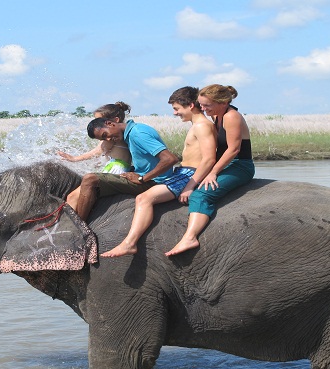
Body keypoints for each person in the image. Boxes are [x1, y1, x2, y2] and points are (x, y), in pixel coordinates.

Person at [101, 87, 217, 257]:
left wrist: (190, 185)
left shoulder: (202, 126)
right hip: (183, 171)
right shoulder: (197, 125)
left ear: (191, 105)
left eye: (177, 108)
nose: (175, 113)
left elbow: (208, 159)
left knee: (144, 198)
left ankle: (129, 243)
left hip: (189, 174)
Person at [165, 84, 255, 256]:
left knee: (201, 193)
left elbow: (234, 149)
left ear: (222, 102)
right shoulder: (218, 116)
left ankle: (190, 237)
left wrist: (212, 172)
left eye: (207, 105)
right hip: (226, 164)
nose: (203, 109)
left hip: (239, 165)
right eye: (201, 104)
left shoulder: (231, 116)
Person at [66, 117, 179, 221]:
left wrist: (142, 178)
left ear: (109, 123)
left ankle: (80, 226)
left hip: (153, 182)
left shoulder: (137, 134)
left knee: (89, 179)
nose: (109, 139)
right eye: (104, 138)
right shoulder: (131, 133)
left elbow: (170, 159)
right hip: (146, 176)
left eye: (105, 134)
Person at [57, 102, 132, 174]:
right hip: (124, 166)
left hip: (115, 167)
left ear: (114, 121)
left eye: (99, 120)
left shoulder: (110, 137)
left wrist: (74, 158)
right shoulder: (123, 132)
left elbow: (97, 151)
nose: (96, 124)